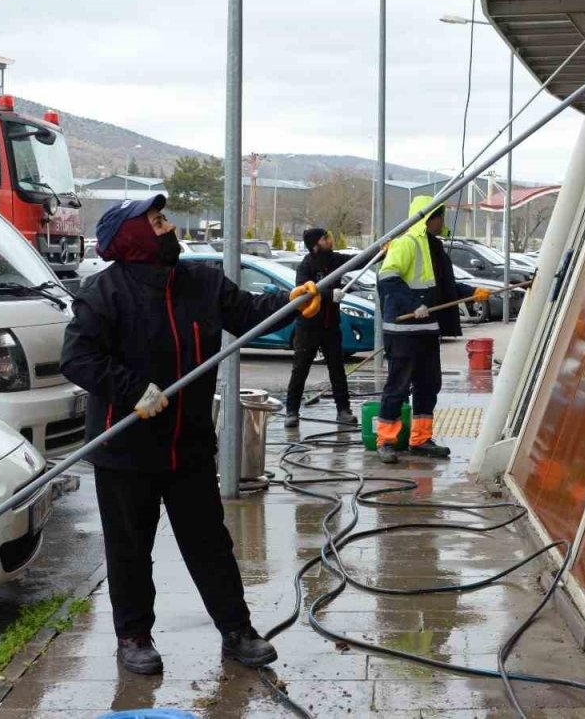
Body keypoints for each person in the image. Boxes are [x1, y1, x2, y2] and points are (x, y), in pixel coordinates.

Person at [60, 194, 320, 675]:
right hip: (126, 450)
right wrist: (133, 389)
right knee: (130, 550)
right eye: (157, 222)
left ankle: (237, 632)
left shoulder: (201, 282)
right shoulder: (103, 293)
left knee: (209, 544)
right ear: (132, 238)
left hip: (189, 445)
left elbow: (248, 312)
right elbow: (77, 358)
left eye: (164, 219)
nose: (169, 227)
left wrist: (290, 304)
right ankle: (133, 637)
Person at [375, 197, 491, 464]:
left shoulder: (434, 248)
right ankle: (386, 440)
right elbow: (387, 278)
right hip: (402, 330)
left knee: (428, 385)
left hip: (427, 330)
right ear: (429, 218)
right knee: (398, 385)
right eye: (440, 217)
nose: (443, 222)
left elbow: (444, 287)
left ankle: (421, 439)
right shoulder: (407, 243)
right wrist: (414, 304)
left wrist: (472, 292)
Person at [284, 227, 357, 429]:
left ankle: (343, 410)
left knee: (337, 369)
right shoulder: (306, 266)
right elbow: (304, 292)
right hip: (308, 327)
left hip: (331, 326)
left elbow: (357, 261)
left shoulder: (334, 260)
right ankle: (291, 412)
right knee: (300, 369)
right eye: (326, 238)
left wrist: (382, 251)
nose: (330, 240)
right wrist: (329, 295)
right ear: (316, 245)